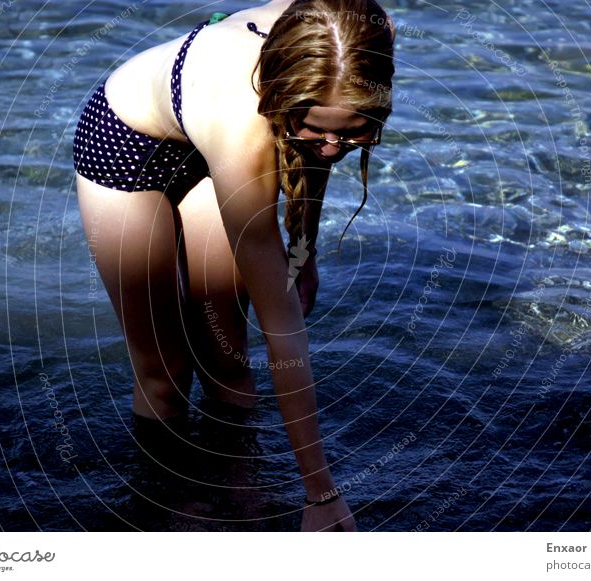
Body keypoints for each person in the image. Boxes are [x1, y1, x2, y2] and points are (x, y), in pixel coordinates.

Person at [73, 0, 394, 532]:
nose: (335, 149)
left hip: (210, 138)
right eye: (317, 128)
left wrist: (304, 248)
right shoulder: (246, 131)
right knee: (165, 370)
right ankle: (167, 506)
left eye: (354, 131)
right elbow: (283, 330)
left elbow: (312, 150)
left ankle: (238, 487)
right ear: (284, 98)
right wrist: (322, 493)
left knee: (226, 357)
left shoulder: (359, 34)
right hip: (128, 145)